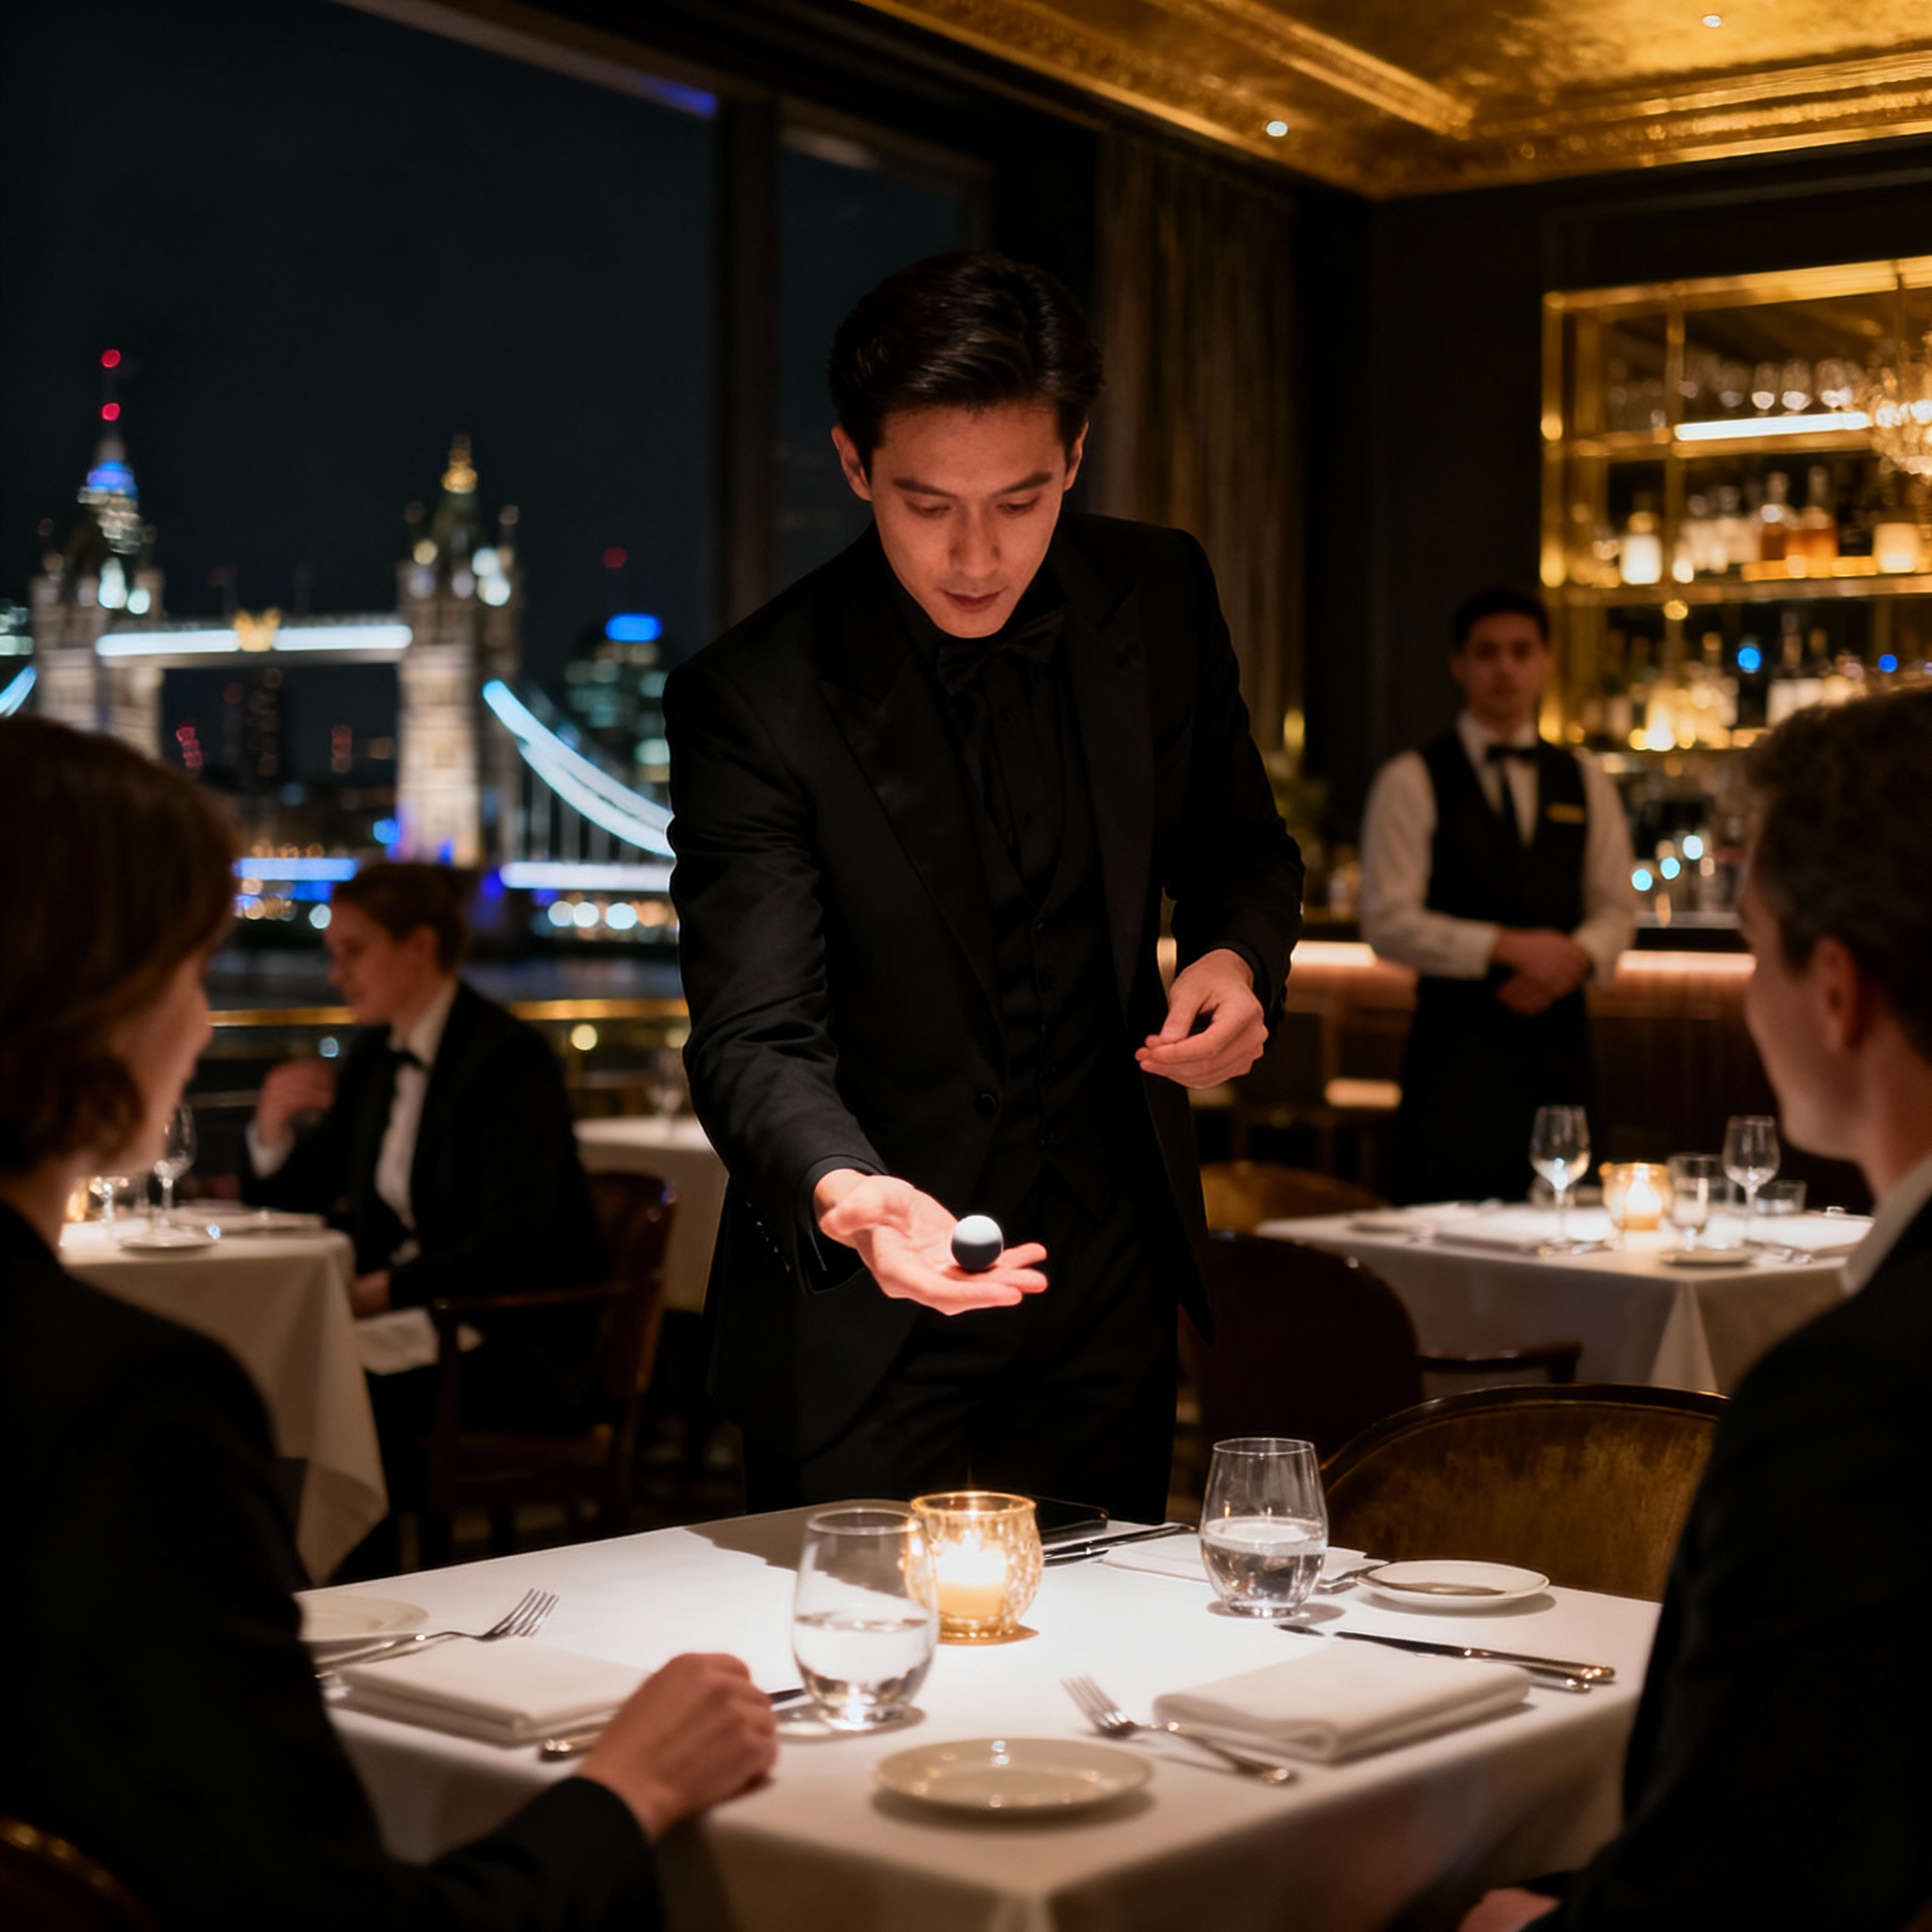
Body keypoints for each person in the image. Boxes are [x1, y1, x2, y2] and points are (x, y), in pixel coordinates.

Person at [0, 716, 777, 1928]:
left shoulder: (499, 1061)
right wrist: (630, 1785)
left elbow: (530, 1237)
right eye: (192, 972)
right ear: (89, 1005)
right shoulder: (130, 1413)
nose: (206, 1023)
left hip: (505, 1344)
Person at [666, 250, 1303, 1521]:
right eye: (924, 504)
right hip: (867, 1301)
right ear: (854, 467)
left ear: (1072, 458)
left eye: (1018, 501)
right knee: (855, 1689)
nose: (974, 555)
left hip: (1104, 1275)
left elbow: (1241, 847)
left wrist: (1235, 959)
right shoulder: (756, 697)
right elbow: (752, 1031)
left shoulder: (1159, 594)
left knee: (1100, 1676)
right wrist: (851, 1198)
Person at [1460, 687, 1932, 1932]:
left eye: (1753, 948)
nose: (1741, 996)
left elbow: (1737, 1892)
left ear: (1838, 994)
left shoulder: (1856, 1401)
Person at [245, 863, 607, 1566]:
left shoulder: (507, 1060)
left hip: (513, 1340)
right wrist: (271, 1129)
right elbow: (298, 1201)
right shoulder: (377, 1055)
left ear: (418, 946)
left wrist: (378, 1293)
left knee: (334, 1397)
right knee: (290, 1380)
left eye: (353, 952)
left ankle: (360, 1599)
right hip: (423, 1324)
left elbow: (516, 1239)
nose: (334, 975)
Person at [1359, 587, 1635, 1204]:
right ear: (1459, 665)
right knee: (1445, 1244)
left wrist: (1570, 961)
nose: (1505, 668)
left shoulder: (1586, 780)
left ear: (1547, 661)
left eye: (1520, 651)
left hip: (1563, 1050)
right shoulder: (1409, 779)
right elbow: (1386, 920)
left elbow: (1616, 908)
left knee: (1572, 1243)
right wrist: (1508, 947)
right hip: (1457, 1055)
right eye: (1487, 653)